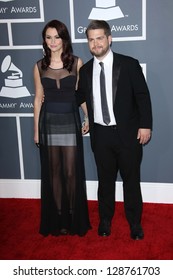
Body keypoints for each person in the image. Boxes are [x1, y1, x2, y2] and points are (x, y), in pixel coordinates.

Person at [77, 20, 152, 239]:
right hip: (101, 136)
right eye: (91, 39)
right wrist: (53, 97)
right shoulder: (85, 70)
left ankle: (135, 224)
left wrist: (145, 125)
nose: (96, 43)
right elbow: (80, 97)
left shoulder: (129, 64)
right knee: (105, 181)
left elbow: (142, 96)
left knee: (131, 181)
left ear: (109, 39)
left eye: (100, 38)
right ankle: (105, 221)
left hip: (128, 134)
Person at [33, 19, 91, 236]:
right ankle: (57, 218)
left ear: (64, 38)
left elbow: (80, 96)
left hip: (70, 121)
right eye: (48, 37)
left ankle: (73, 218)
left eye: (57, 36)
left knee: (70, 171)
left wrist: (88, 117)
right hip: (48, 122)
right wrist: (36, 131)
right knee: (54, 172)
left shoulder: (77, 62)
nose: (53, 41)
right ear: (44, 40)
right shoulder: (38, 66)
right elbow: (38, 99)